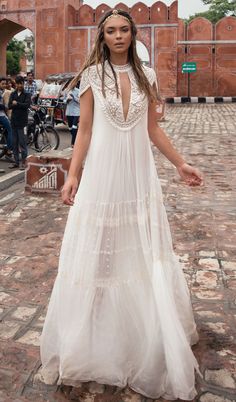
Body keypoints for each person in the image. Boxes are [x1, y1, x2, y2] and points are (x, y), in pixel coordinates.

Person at [40, 9, 203, 401]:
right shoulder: (93, 75)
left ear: (133, 34)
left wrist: (180, 163)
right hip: (102, 175)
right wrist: (74, 173)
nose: (117, 36)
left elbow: (152, 128)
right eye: (110, 30)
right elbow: (86, 129)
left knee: (141, 248)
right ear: (102, 36)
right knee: (99, 249)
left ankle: (141, 329)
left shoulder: (147, 76)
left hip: (138, 176)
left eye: (124, 30)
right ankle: (93, 330)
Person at [8, 75, 31, 170]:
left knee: (22, 143)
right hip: (13, 122)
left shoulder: (27, 94)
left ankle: (24, 162)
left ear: (23, 83)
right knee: (14, 143)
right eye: (17, 84)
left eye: (21, 83)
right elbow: (9, 106)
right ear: (16, 84)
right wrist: (15, 104)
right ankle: (16, 162)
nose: (19, 85)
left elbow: (27, 105)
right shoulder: (12, 94)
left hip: (23, 123)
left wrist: (17, 104)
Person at [0, 77, 13, 156]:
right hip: (1, 115)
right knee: (10, 129)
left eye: (5, 84)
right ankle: (9, 149)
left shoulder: (3, 92)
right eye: (2, 84)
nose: (4, 85)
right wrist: (5, 107)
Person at [65, 81, 80, 147]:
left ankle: (73, 143)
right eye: (71, 83)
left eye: (74, 83)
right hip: (69, 112)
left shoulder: (78, 91)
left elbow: (80, 101)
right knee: (70, 128)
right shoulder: (67, 91)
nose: (73, 84)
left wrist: (73, 97)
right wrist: (67, 100)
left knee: (74, 127)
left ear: (76, 84)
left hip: (76, 112)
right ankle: (76, 137)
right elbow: (64, 100)